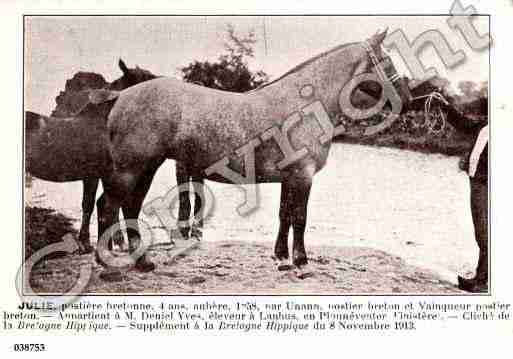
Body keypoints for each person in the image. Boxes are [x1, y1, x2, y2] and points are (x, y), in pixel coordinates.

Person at [433, 93, 488, 292]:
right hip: (478, 183)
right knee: (483, 232)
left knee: (485, 234)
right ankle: (482, 279)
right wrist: (445, 106)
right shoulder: (483, 127)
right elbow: (462, 123)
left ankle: (482, 282)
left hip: (485, 184)